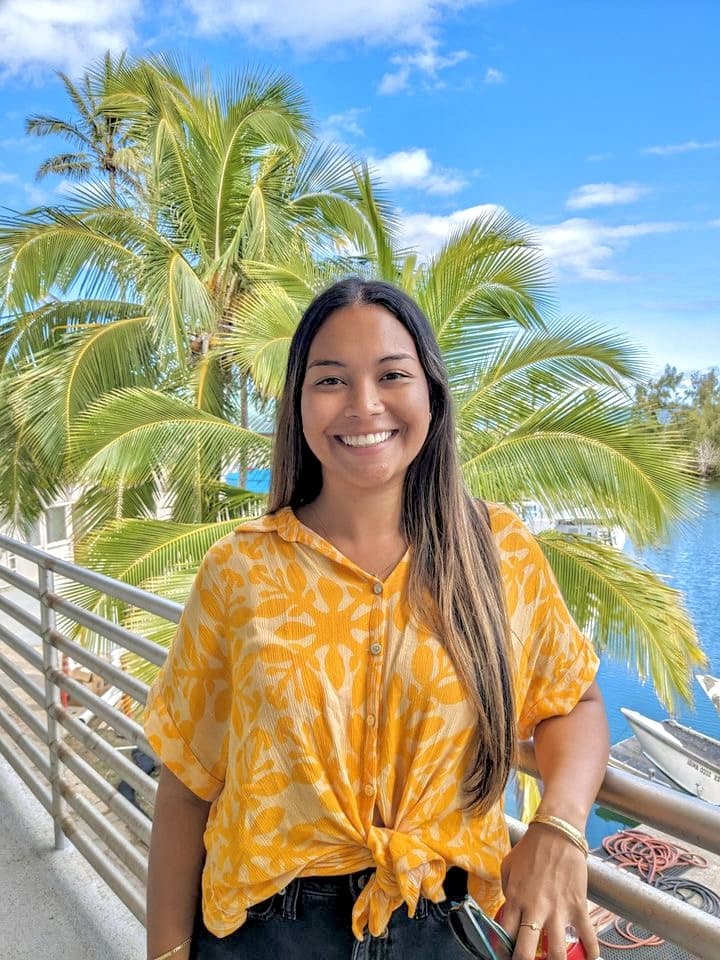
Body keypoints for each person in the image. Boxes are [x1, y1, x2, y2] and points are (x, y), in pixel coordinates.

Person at [144, 278, 609, 960]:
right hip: (266, 935)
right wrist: (164, 953)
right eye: (330, 380)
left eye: (392, 374)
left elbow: (576, 701)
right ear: (299, 405)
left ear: (431, 393)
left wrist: (559, 826)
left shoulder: (497, 552)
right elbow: (186, 782)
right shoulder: (239, 572)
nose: (364, 405)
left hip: (445, 927)